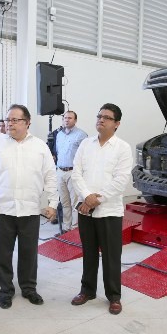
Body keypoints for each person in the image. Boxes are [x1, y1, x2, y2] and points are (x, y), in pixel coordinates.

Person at [0, 104, 58, 309]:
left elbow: (50, 176)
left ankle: (29, 288)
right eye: (7, 120)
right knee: (2, 254)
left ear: (27, 122)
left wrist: (52, 203)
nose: (9, 124)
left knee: (28, 253)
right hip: (2, 210)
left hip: (30, 210)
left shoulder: (40, 146)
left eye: (15, 120)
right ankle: (6, 290)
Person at [70, 103, 133, 315]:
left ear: (117, 124)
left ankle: (114, 296)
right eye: (99, 116)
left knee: (111, 256)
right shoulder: (85, 144)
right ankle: (87, 291)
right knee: (88, 253)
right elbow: (76, 173)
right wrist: (86, 197)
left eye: (106, 117)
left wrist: (96, 199)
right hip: (86, 210)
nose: (101, 120)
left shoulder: (122, 148)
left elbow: (120, 180)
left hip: (109, 211)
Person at [55, 111, 87, 233]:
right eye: (65, 118)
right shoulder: (59, 135)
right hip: (60, 172)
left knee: (75, 203)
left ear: (75, 120)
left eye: (70, 118)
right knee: (64, 203)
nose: (67, 120)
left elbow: (84, 157)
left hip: (73, 172)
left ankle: (74, 229)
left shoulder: (81, 135)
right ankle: (66, 228)